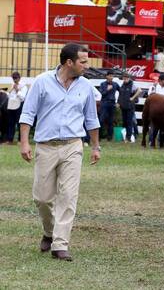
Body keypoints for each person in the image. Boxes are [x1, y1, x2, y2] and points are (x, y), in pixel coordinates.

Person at [18, 43, 101, 261]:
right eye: (83, 61)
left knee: (68, 196)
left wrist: (95, 146)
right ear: (69, 62)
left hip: (73, 145)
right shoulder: (42, 82)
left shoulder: (85, 87)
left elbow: (92, 119)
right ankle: (49, 231)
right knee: (42, 198)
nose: (87, 65)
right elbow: (28, 114)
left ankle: (60, 244)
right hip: (45, 146)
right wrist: (24, 142)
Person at [5, 71, 28, 144]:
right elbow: (9, 96)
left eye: (16, 78)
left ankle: (20, 140)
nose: (14, 80)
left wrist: (17, 90)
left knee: (19, 123)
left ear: (19, 78)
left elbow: (23, 97)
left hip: (19, 106)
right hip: (11, 105)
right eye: (13, 78)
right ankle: (10, 140)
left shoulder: (23, 86)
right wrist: (10, 91)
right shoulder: (12, 84)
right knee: (10, 123)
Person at [118, 73, 142, 143]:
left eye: (126, 78)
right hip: (123, 106)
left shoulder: (132, 84)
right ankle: (126, 136)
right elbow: (120, 94)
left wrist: (133, 97)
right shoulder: (123, 85)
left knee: (129, 122)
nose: (125, 80)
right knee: (125, 122)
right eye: (124, 78)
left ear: (129, 78)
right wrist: (119, 102)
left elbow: (139, 90)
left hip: (130, 107)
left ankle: (129, 137)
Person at [99, 70, 120, 141]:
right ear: (107, 76)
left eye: (112, 76)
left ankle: (109, 137)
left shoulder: (115, 84)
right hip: (104, 103)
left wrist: (118, 102)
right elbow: (101, 94)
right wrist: (107, 90)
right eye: (110, 75)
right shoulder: (103, 84)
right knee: (101, 120)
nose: (111, 77)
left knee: (111, 121)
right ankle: (99, 136)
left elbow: (121, 91)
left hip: (112, 103)